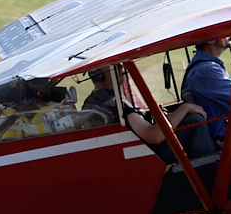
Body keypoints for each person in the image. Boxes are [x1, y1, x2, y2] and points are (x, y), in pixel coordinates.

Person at [83, 67, 213, 163]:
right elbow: (154, 136)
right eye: (116, 67)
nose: (122, 69)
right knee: (194, 120)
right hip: (147, 157)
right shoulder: (114, 102)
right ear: (99, 75)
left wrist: (151, 117)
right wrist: (186, 107)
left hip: (126, 154)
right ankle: (209, 172)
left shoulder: (93, 100)